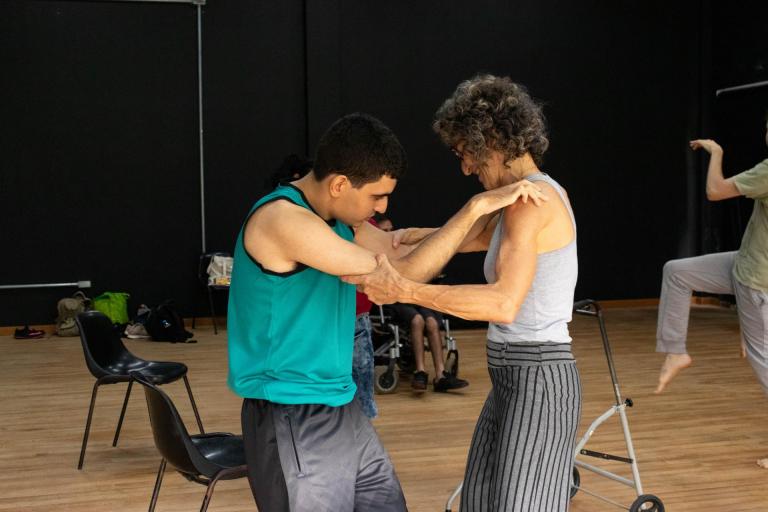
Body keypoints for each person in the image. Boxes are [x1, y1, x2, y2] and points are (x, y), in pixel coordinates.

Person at [227, 112, 547, 511]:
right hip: (291, 408)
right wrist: (475, 208)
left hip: (340, 401)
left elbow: (400, 246)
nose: (382, 206)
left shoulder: (338, 219)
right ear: (340, 184)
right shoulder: (283, 220)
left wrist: (490, 232)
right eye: (376, 197)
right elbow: (400, 273)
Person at [346, 75, 580, 511]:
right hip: (512, 376)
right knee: (478, 501)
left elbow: (503, 303)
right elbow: (464, 236)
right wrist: (400, 237)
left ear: (489, 139)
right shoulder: (513, 201)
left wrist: (405, 289)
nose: (465, 168)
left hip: (539, 378)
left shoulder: (532, 204)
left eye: (464, 153)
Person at [654, 126, 768, 467]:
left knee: (764, 362)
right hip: (747, 264)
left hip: (756, 280)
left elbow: (715, 191)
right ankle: (675, 351)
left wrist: (716, 153)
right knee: (677, 272)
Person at [376, 215, 469, 392]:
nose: (388, 233)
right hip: (397, 299)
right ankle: (420, 371)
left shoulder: (405, 249)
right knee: (417, 321)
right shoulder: (378, 254)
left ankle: (441, 375)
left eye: (390, 229)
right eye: (384, 231)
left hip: (417, 295)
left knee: (432, 323)